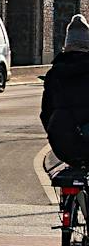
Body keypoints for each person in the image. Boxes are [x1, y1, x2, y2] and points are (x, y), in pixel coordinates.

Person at [41, 14, 89, 171]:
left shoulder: (54, 73)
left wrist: (54, 133)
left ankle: (67, 196)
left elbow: (45, 113)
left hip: (61, 144)